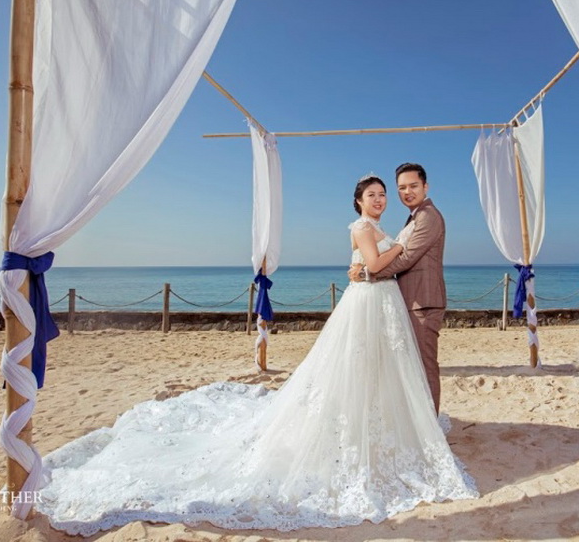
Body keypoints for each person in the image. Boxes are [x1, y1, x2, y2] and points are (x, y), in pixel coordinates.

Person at [35, 174, 477, 536]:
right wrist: (379, 259)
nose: (383, 199)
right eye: (374, 194)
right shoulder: (366, 228)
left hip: (386, 305)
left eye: (387, 193)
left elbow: (378, 266)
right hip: (368, 305)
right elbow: (381, 265)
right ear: (358, 201)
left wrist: (371, 263)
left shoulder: (408, 222)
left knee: (383, 371)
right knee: (355, 369)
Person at [349, 163, 446, 414]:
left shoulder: (428, 217)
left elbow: (406, 259)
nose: (407, 192)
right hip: (407, 300)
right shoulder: (413, 217)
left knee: (424, 366)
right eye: (401, 188)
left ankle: (430, 425)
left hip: (422, 302)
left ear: (425, 186)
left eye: (413, 186)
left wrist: (367, 273)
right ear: (359, 201)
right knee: (409, 366)